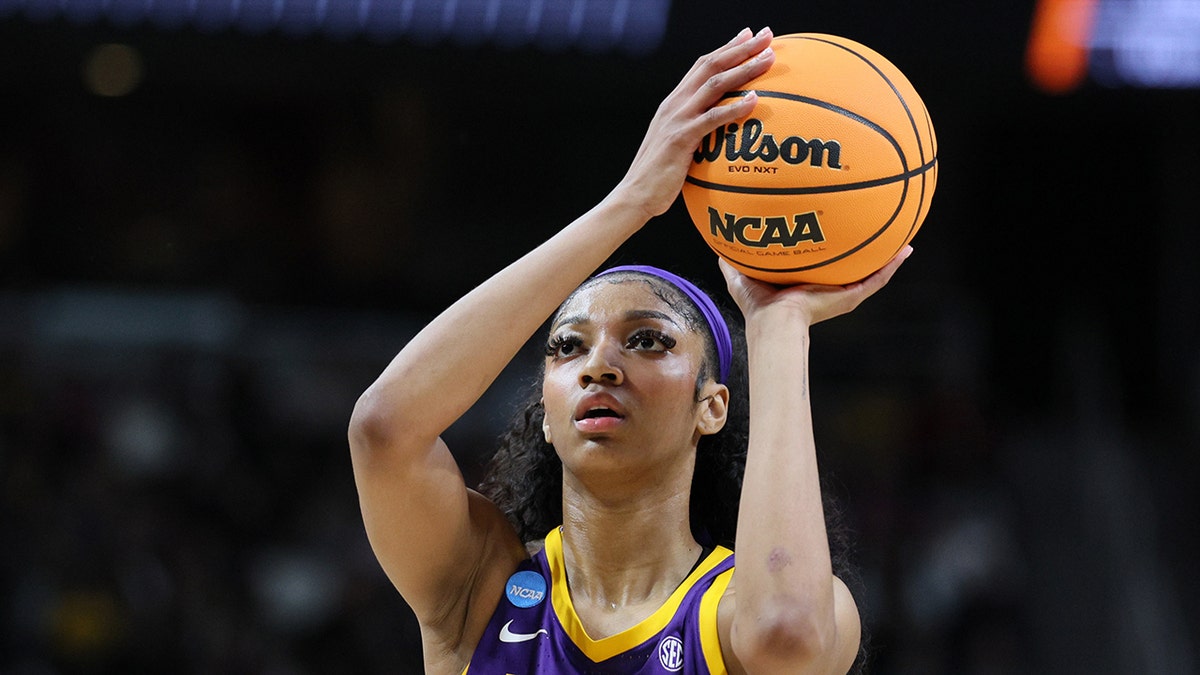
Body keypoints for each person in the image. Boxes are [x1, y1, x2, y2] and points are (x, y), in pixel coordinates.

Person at [348, 26, 911, 674]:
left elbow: (790, 634)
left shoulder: (733, 615)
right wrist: (630, 201)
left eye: (648, 339)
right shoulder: (479, 590)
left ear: (712, 406)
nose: (600, 364)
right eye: (567, 346)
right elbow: (383, 427)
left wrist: (778, 323)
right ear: (545, 414)